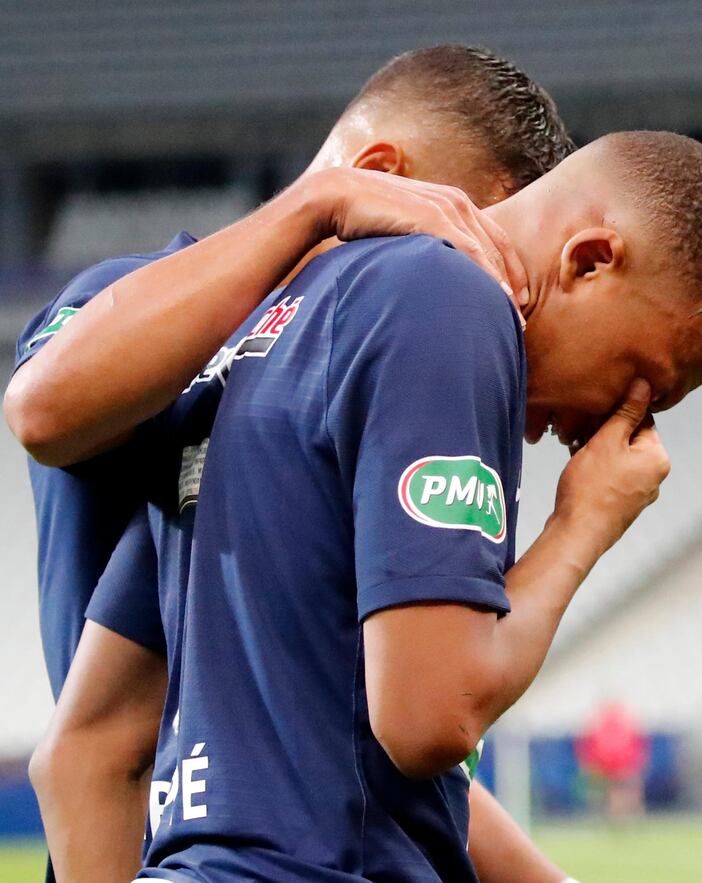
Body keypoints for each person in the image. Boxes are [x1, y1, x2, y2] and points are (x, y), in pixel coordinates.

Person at [121, 131, 702, 880]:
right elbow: (430, 720)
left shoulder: (287, 308)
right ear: (589, 260)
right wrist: (583, 524)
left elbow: (89, 736)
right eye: (646, 380)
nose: (623, 418)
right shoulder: (454, 303)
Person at [9, 46, 576, 883]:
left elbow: (337, 740)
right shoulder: (124, 298)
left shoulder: (350, 377)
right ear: (380, 173)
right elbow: (45, 408)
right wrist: (320, 204)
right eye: (455, 242)